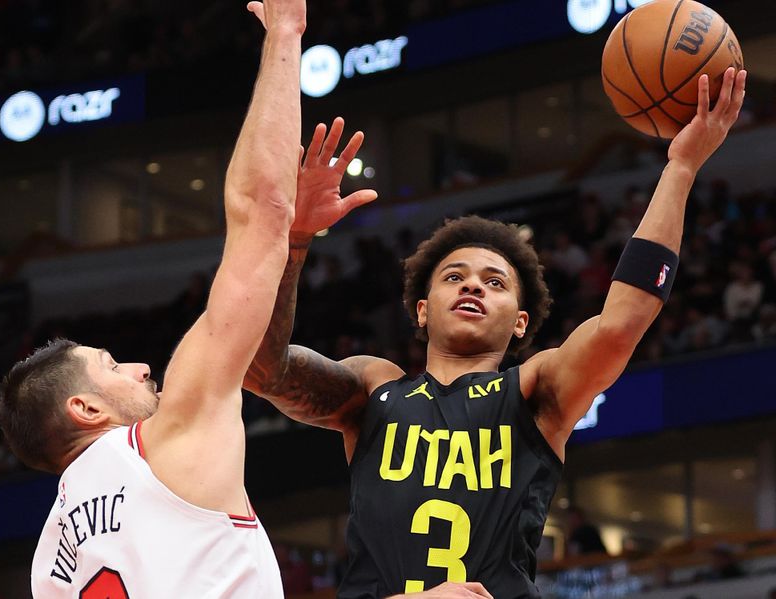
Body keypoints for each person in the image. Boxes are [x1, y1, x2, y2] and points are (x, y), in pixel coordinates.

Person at [245, 69, 747, 598]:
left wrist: (682, 167)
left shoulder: (536, 392)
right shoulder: (375, 387)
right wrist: (294, 238)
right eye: (454, 277)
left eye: (495, 282)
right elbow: (259, 369)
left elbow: (623, 322)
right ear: (421, 311)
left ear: (521, 320)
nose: (474, 287)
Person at [0, 0, 308, 595]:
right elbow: (260, 213)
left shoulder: (46, 568)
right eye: (112, 366)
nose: (142, 367)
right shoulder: (168, 439)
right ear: (85, 409)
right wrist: (285, 33)